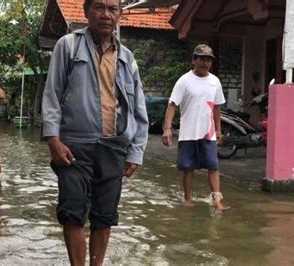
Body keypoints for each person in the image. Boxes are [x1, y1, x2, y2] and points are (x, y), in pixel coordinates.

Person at [41, 0, 148, 264]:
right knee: (72, 212)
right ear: (86, 11)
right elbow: (52, 94)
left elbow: (137, 107)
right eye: (99, 7)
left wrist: (135, 152)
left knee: (104, 215)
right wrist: (53, 139)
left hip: (113, 146)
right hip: (73, 145)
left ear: (120, 15)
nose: (106, 14)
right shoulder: (68, 46)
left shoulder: (127, 57)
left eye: (113, 9)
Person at [162, 44, 229, 211]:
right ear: (194, 60)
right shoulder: (184, 81)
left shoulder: (215, 81)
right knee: (188, 167)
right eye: (201, 59)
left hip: (209, 133)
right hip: (188, 132)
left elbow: (217, 107)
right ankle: (187, 198)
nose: (205, 63)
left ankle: (217, 200)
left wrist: (219, 131)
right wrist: (167, 128)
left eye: (208, 60)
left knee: (213, 166)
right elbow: (172, 105)